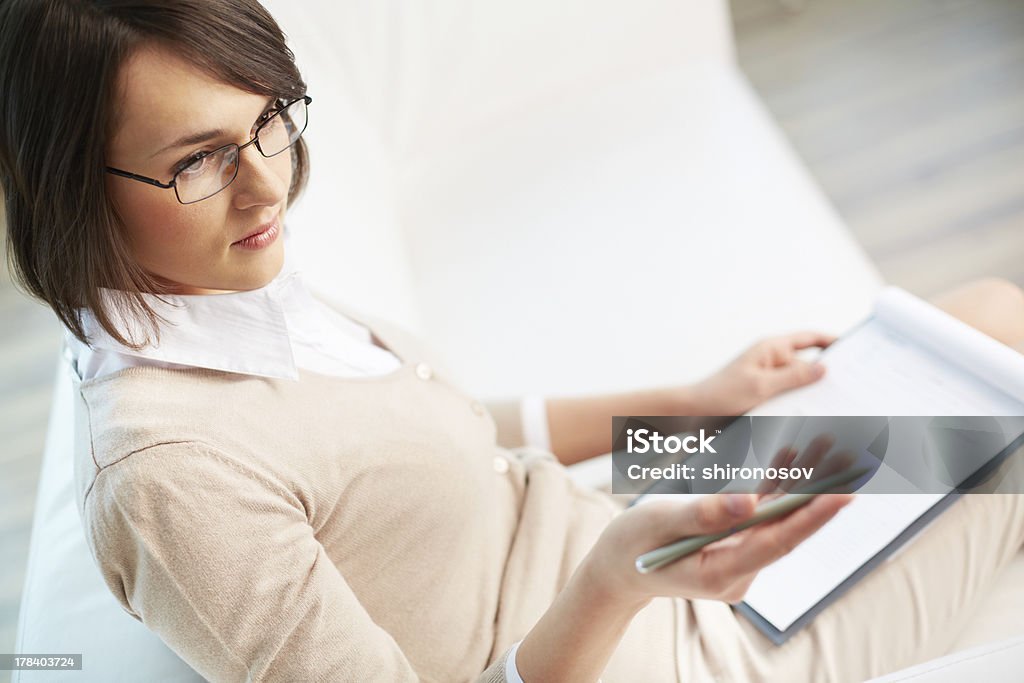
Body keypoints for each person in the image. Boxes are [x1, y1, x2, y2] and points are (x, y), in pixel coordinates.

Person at [2, 2, 1023, 681]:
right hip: (670, 632)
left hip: (633, 515)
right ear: (70, 190)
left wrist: (696, 404)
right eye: (201, 160)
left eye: (270, 121)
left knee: (982, 317)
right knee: (1010, 416)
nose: (271, 182)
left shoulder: (217, 285)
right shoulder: (173, 478)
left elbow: (436, 438)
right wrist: (619, 575)